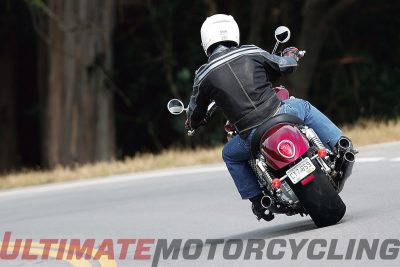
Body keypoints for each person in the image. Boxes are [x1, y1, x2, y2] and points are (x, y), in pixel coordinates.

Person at [186, 14, 348, 221]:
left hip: (251, 133)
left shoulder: (203, 75)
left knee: (229, 154)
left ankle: (257, 200)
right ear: (233, 33)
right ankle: (340, 144)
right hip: (280, 112)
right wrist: (291, 54)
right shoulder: (251, 51)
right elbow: (285, 65)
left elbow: (196, 112)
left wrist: (192, 122)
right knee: (304, 108)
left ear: (206, 41)